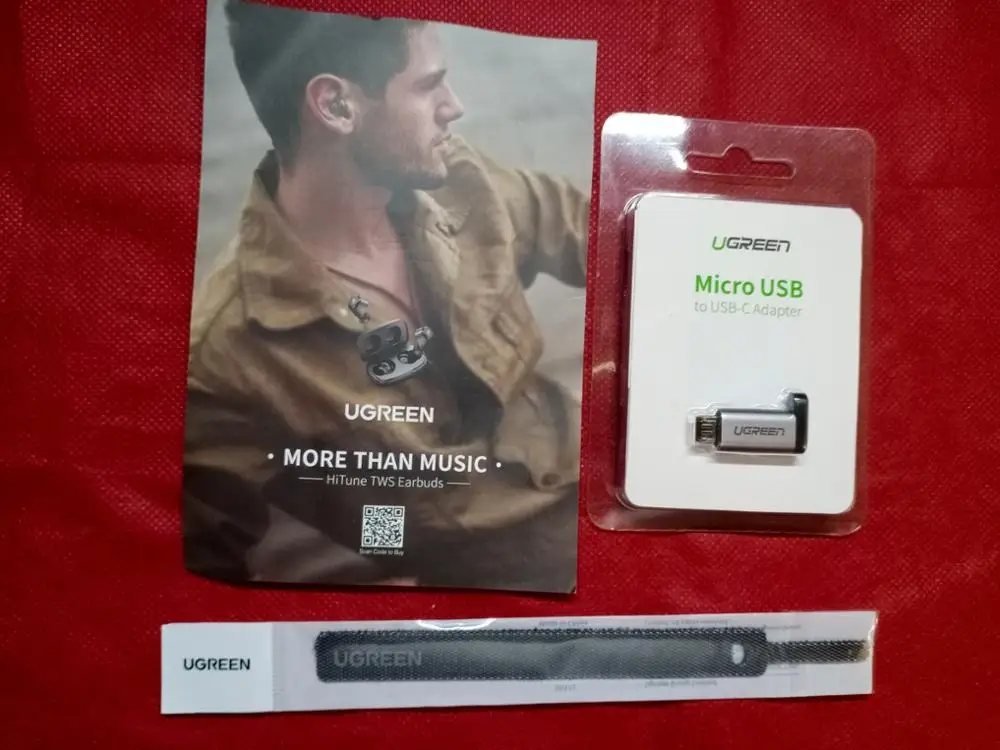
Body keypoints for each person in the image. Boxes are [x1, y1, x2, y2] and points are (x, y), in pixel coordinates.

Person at [182, 0, 589, 592]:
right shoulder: (228, 351)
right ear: (336, 106)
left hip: (597, 475)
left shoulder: (459, 180)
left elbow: (596, 232)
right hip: (507, 582)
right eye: (427, 86)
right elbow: (198, 565)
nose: (454, 106)